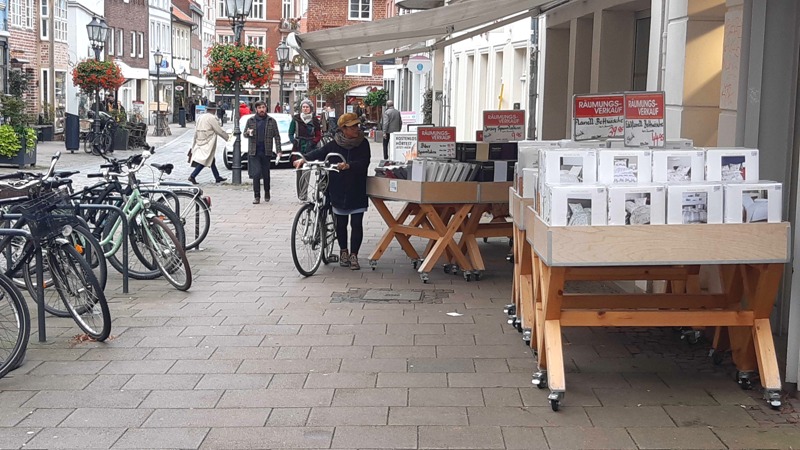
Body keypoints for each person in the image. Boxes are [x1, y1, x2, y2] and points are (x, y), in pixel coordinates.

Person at [293, 112, 370, 270]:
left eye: (357, 125)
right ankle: (343, 251)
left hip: (357, 187)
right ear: (343, 129)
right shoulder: (334, 144)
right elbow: (319, 153)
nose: (356, 128)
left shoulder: (363, 143)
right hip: (338, 188)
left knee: (356, 223)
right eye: (352, 126)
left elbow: (364, 162)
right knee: (340, 223)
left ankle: (354, 254)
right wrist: (304, 159)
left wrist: (349, 166)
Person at [243, 100, 282, 204]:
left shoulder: (271, 121)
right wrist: (248, 133)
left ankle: (267, 191)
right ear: (256, 109)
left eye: (263, 107)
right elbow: (244, 134)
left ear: (266, 108)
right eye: (259, 108)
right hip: (254, 151)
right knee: (256, 174)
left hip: (266, 151)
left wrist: (279, 150)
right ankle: (256, 196)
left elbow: (277, 136)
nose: (261, 110)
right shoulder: (251, 120)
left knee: (266, 174)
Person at [188, 103, 228, 184]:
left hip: (200, 139)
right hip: (208, 140)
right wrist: (228, 138)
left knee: (211, 159)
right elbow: (219, 130)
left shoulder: (200, 117)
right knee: (205, 160)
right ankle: (192, 176)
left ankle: (217, 177)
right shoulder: (212, 118)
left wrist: (194, 142)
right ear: (214, 110)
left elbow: (195, 130)